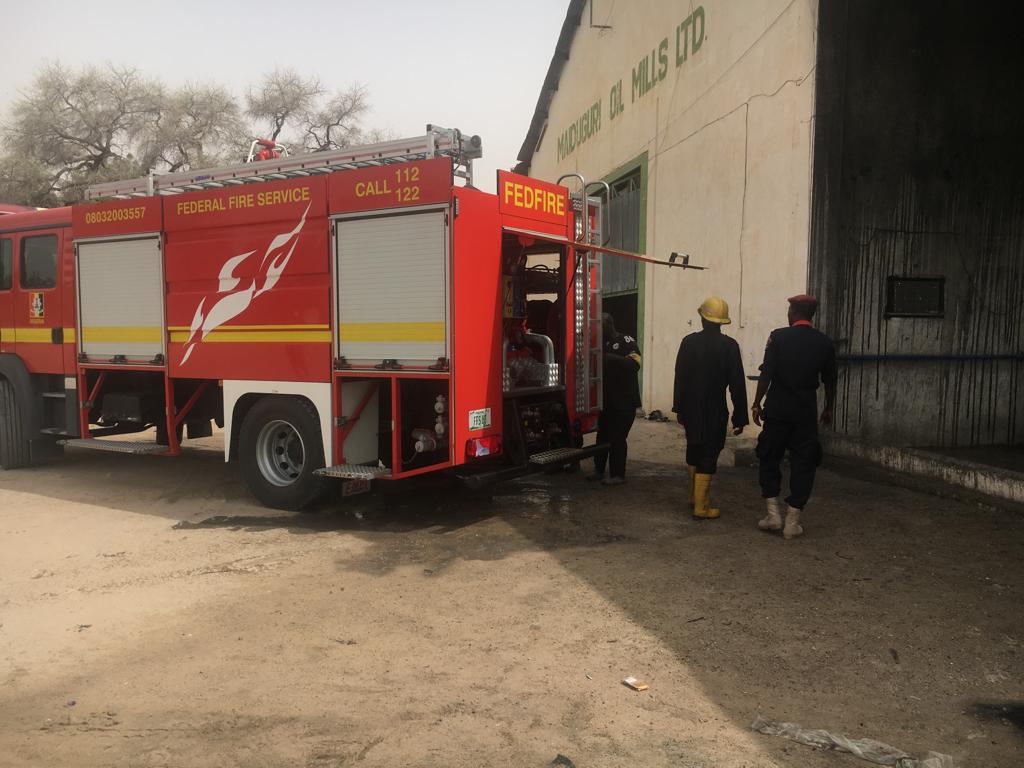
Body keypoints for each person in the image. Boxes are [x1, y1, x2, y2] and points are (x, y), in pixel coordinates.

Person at [751, 294, 838, 539]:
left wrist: (757, 403)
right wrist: (828, 407)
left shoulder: (778, 337)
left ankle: (772, 514)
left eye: (789, 310)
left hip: (778, 410)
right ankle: (792, 521)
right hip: (805, 413)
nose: (788, 314)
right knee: (804, 462)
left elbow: (767, 372)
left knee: (769, 455)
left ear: (794, 313)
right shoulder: (824, 343)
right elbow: (831, 381)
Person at [672, 296, 748, 519]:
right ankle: (701, 507)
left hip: (691, 407)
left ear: (702, 318)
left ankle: (693, 497)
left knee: (694, 448)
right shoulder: (729, 346)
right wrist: (740, 416)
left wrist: (679, 408)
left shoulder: (688, 342)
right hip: (715, 407)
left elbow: (680, 377)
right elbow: (737, 384)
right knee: (709, 451)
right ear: (722, 322)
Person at [590, 313, 642, 486]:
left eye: (601, 327)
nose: (598, 330)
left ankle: (618, 474)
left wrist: (612, 359)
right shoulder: (600, 344)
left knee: (617, 438)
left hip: (625, 401)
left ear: (609, 325)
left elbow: (635, 364)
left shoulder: (627, 341)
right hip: (607, 401)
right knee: (602, 436)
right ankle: (598, 471)